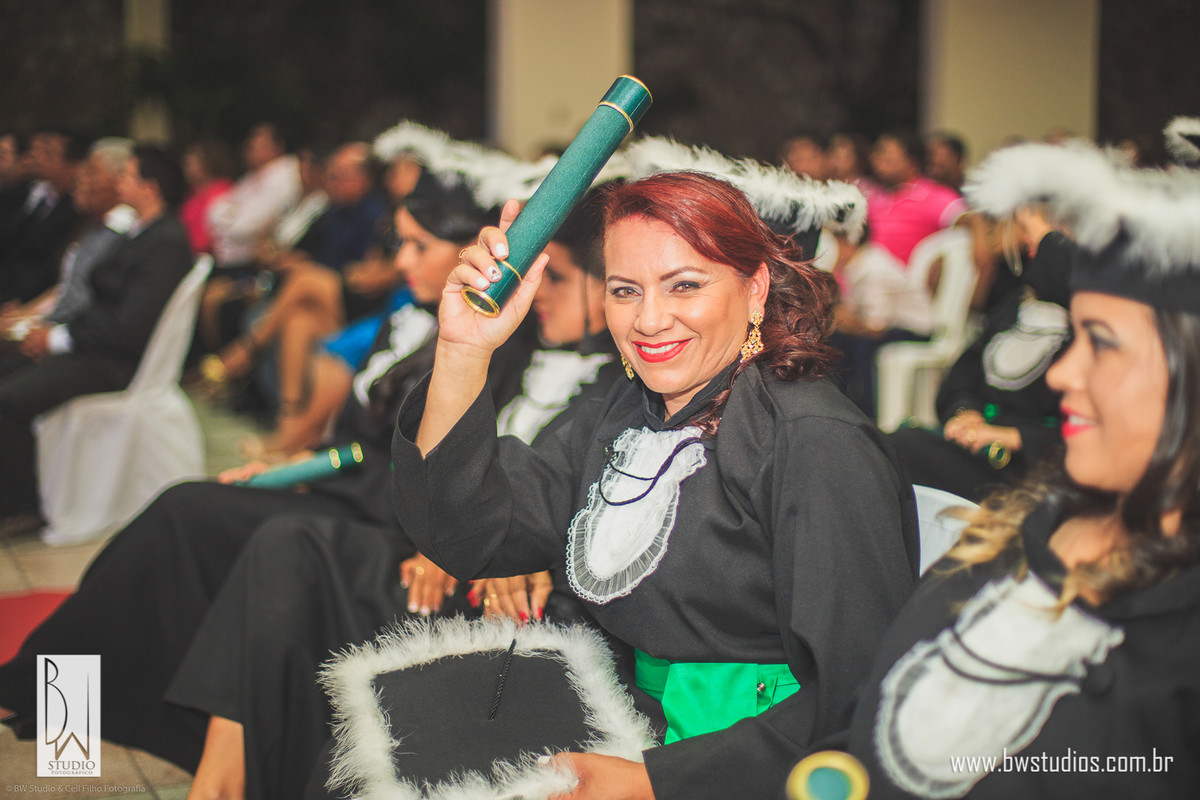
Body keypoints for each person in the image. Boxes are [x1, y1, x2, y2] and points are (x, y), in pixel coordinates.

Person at [0, 142, 546, 773]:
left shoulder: (487, 344)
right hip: (344, 492)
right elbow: (358, 444)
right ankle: (67, 698)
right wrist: (295, 468)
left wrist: (312, 479)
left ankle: (76, 703)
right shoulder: (409, 316)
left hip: (383, 524)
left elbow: (439, 471)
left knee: (185, 515)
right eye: (400, 242)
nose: (402, 260)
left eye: (419, 246)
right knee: (180, 515)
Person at [387, 169, 918, 799]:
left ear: (755, 289)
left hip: (743, 766)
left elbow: (862, 695)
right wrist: (464, 350)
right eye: (625, 291)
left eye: (684, 285)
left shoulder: (815, 441)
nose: (650, 319)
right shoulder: (622, 411)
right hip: (621, 719)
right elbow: (468, 531)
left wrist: (654, 781)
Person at [167, 187, 620, 800]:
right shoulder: (513, 346)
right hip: (423, 530)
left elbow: (566, 505)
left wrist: (518, 548)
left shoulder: (609, 385)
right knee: (214, 526)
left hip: (482, 584)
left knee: (275, 545)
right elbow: (405, 453)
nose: (540, 292)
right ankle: (157, 756)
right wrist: (312, 464)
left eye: (559, 279)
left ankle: (182, 767)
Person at [826, 141, 1200, 798]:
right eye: (1077, 336)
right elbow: (864, 725)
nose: (1063, 373)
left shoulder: (1175, 655)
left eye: (1103, 344)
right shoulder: (1000, 546)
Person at [0, 144, 191, 533]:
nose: (120, 181)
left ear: (150, 187)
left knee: (8, 401)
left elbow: (128, 327)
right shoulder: (140, 231)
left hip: (112, 361)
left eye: (128, 175)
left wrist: (57, 340)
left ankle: (23, 507)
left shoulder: (165, 242)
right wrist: (49, 332)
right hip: (92, 345)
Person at [887, 210, 1072, 503]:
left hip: (1041, 469)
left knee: (902, 452)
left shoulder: (1094, 318)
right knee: (890, 446)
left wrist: (1016, 438)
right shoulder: (1018, 301)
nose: (1030, 241)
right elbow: (967, 368)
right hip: (983, 448)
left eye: (1044, 236)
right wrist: (967, 413)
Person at [832, 130, 968, 416]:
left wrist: (943, 258)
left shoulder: (934, 195)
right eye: (877, 154)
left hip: (899, 307)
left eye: (887, 154)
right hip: (867, 296)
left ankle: (868, 416)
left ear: (911, 160)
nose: (878, 160)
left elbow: (969, 223)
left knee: (862, 347)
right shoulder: (874, 197)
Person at [0, 137, 135, 347]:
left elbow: (84, 302)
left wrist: (32, 324)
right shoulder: (93, 226)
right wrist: (23, 314)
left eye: (91, 173)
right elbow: (66, 289)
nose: (81, 178)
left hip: (78, 341)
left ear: (119, 181)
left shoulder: (123, 234)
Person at [179, 138, 235, 256]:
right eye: (186, 164)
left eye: (192, 164)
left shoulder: (223, 191)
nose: (187, 169)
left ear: (207, 163)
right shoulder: (191, 194)